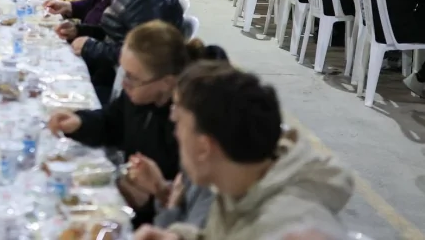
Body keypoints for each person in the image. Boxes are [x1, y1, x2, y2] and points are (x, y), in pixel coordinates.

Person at [137, 63, 354, 240]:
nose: (175, 135)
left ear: (204, 147)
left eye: (178, 123)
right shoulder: (240, 183)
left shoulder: (295, 229)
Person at [48, 22, 226, 227]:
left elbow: (185, 210)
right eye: (124, 73)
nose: (124, 84)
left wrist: (151, 198)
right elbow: (112, 121)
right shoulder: (138, 96)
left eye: (132, 78)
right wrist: (79, 122)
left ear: (167, 83)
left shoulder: (186, 128)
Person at [62, 0, 184, 103]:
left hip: (129, 89)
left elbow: (139, 56)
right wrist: (79, 30)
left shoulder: (145, 0)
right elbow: (118, 33)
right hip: (111, 72)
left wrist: (90, 46)